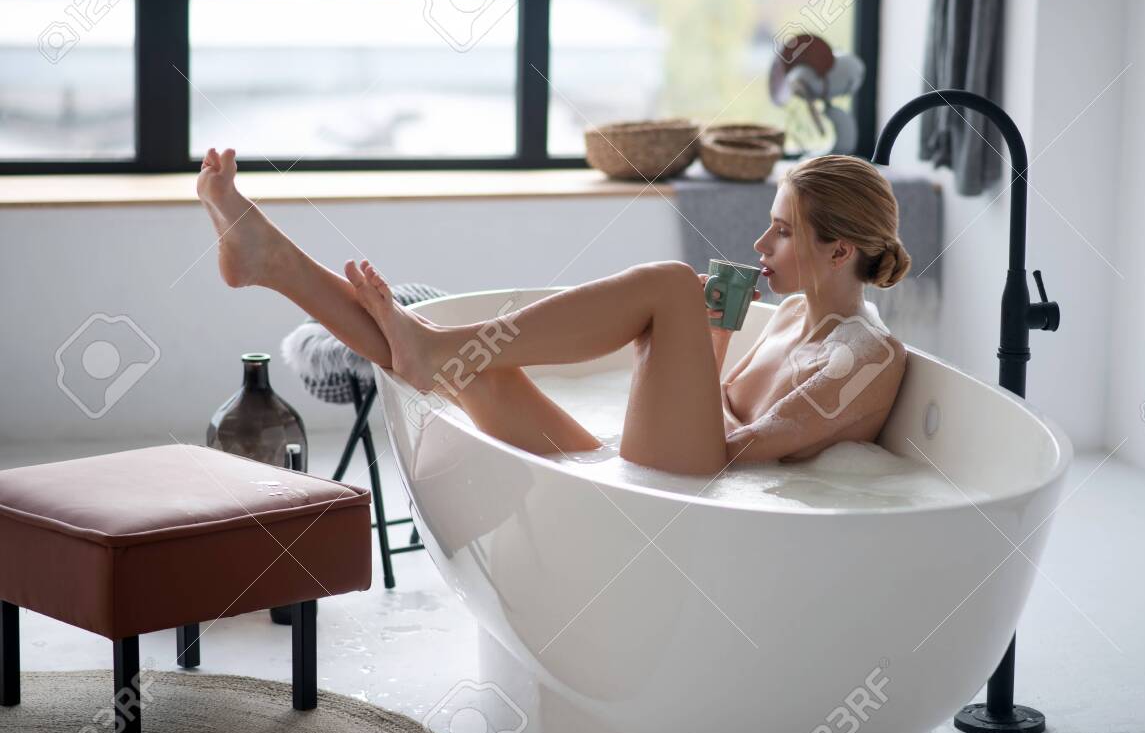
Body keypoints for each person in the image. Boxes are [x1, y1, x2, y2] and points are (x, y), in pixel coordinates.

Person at [196, 149, 909, 476]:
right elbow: (714, 412)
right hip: (673, 476)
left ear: (840, 250)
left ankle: (436, 345)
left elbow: (739, 453)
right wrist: (713, 338)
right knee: (484, 378)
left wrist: (686, 334)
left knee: (665, 285)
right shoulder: (786, 322)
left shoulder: (866, 357)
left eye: (782, 231)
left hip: (705, 500)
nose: (760, 244)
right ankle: (276, 264)